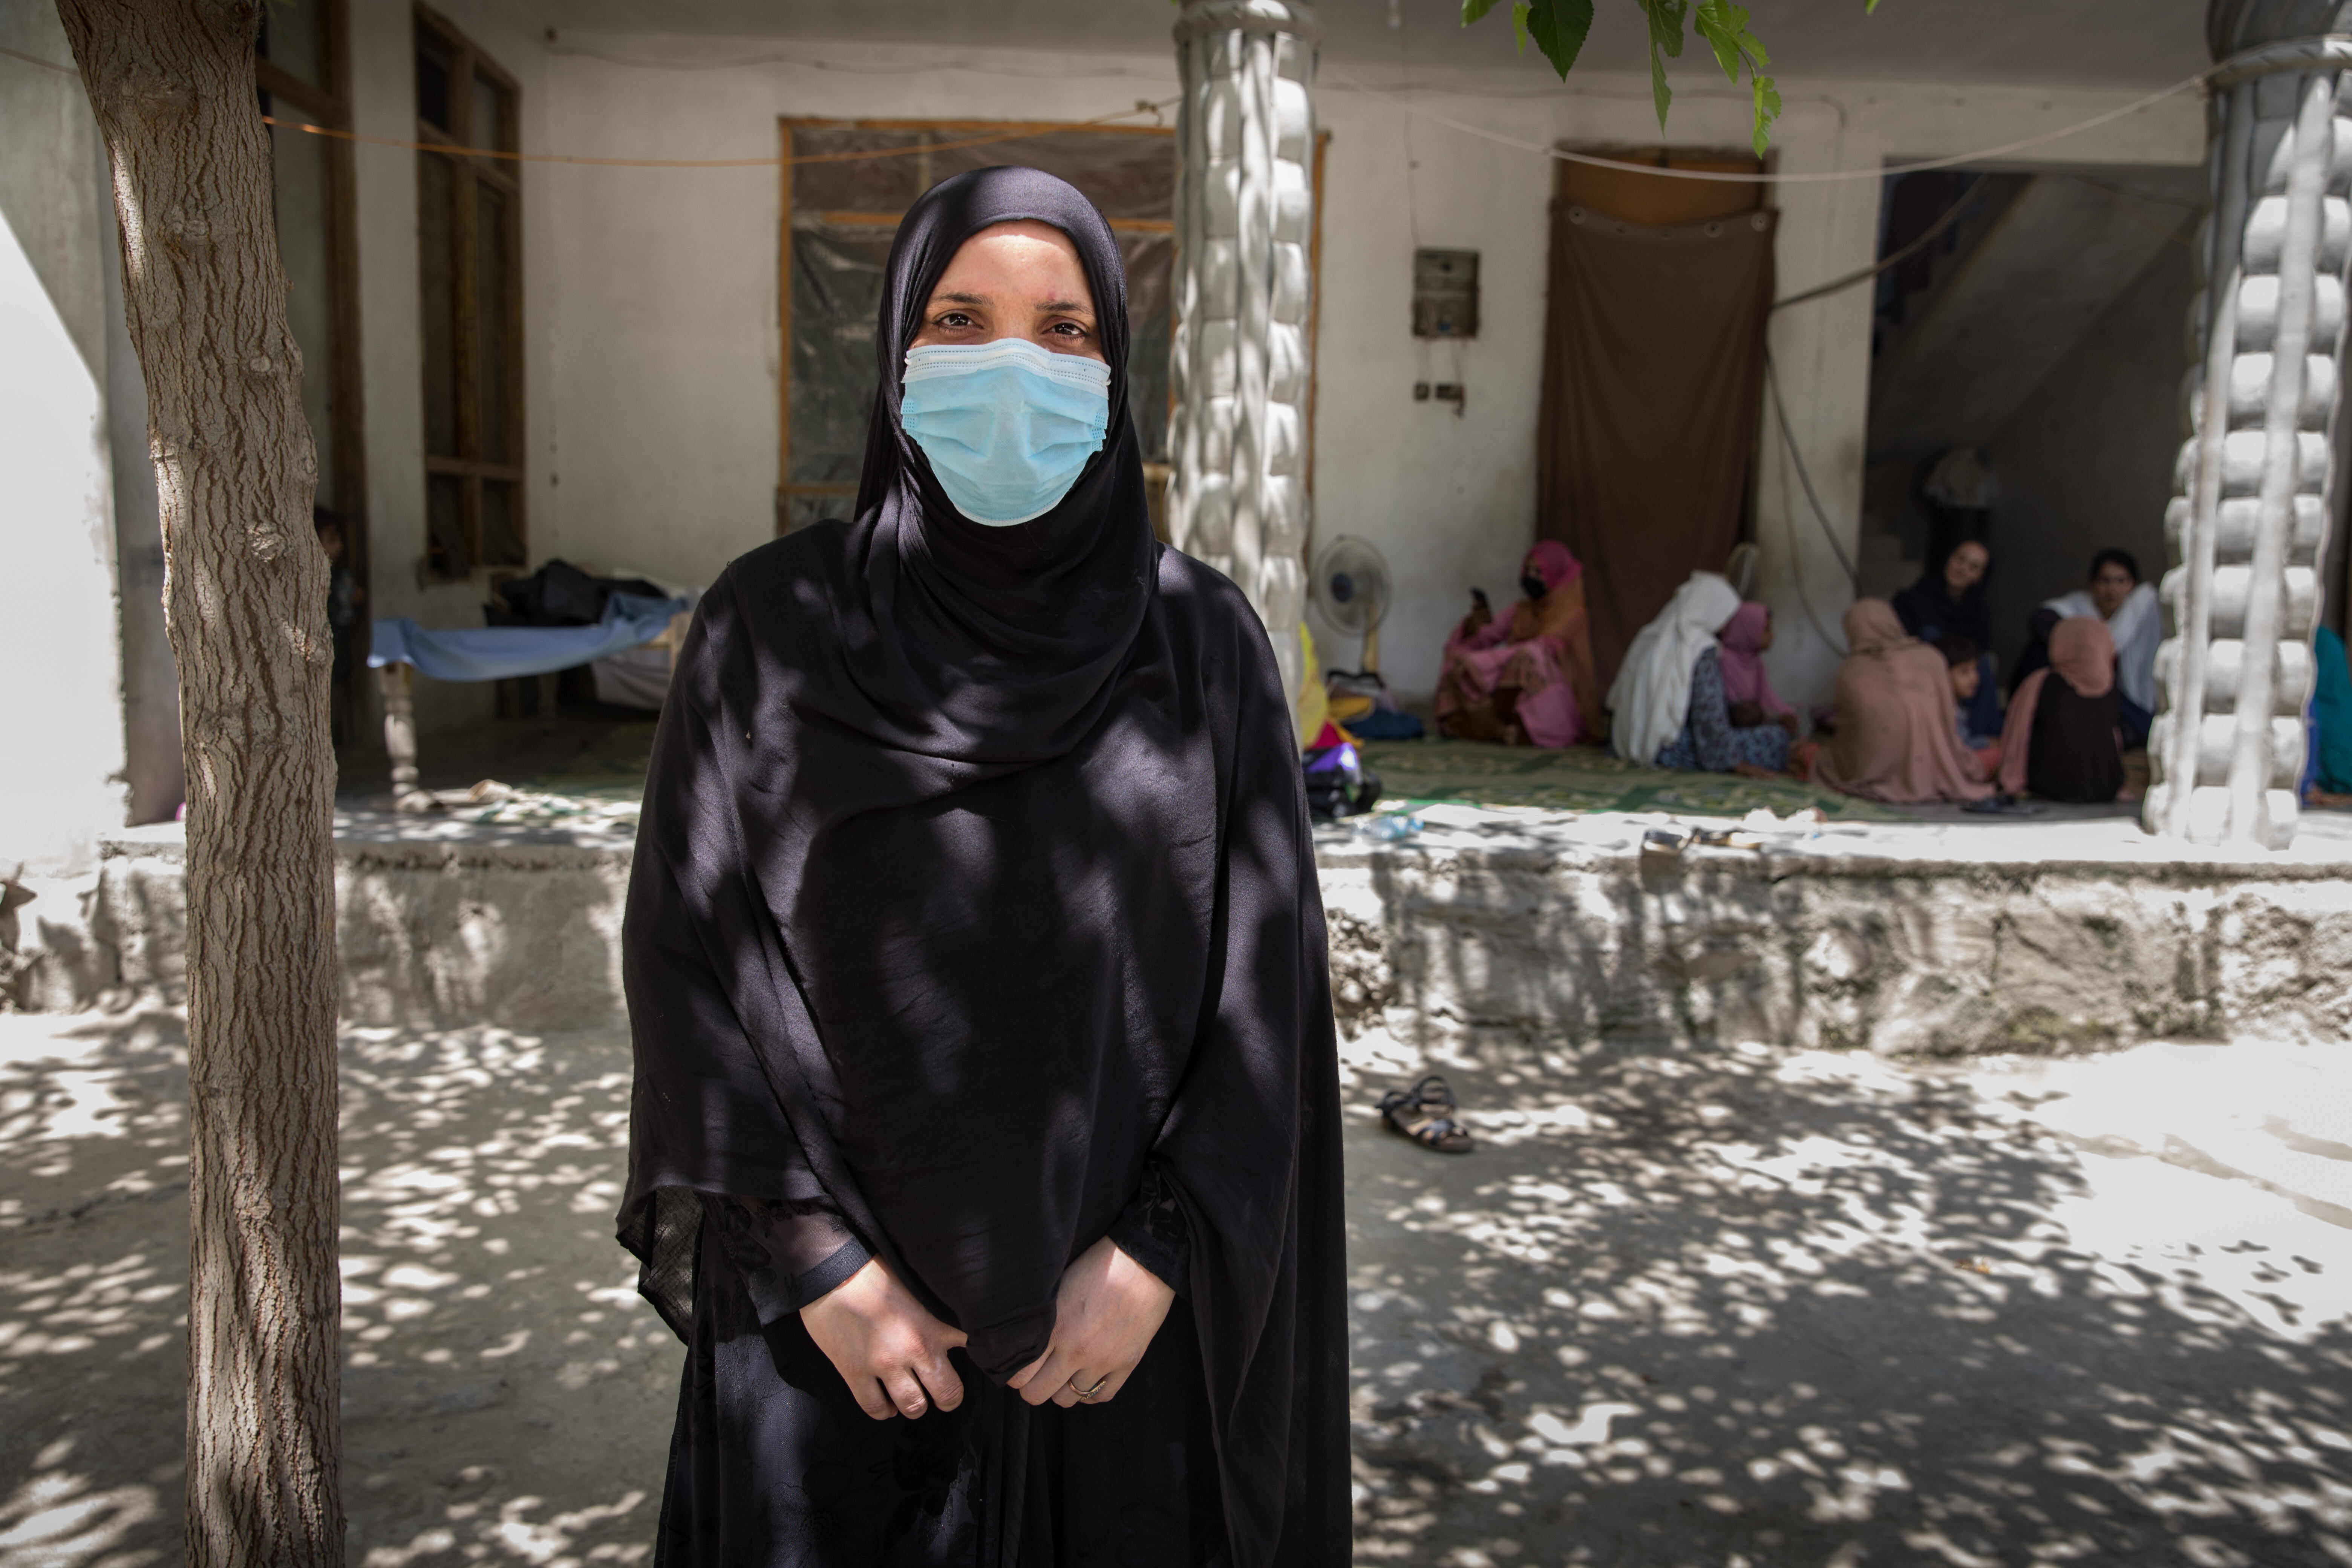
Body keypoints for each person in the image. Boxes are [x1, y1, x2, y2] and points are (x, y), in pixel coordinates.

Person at [617, 168, 1348, 1566]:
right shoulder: (770, 629)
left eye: (1065, 330)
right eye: (960, 317)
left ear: (1118, 371)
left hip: (1124, 1343)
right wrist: (814, 1261)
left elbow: (1264, 992)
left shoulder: (1198, 647)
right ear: (897, 355)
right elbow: (683, 960)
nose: (1014, 365)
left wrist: (1157, 1253)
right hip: (835, 1336)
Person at [1812, 600, 1995, 804]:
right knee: (1995, 757)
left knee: (1816, 756)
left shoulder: (1851, 671)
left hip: (1870, 769)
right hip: (1936, 770)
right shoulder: (1930, 657)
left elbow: (1851, 735)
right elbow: (1948, 722)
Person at [1609, 572, 1791, 776]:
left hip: (1628, 741)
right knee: (1776, 739)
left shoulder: (1651, 636)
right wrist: (1736, 765)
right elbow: (1708, 716)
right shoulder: (1700, 648)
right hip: (1671, 749)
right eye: (1725, 615)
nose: (1727, 625)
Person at [1435, 540, 1602, 746]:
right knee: (1460, 660)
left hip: (1558, 696)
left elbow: (1544, 646)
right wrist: (1473, 626)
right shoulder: (1521, 610)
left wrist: (1483, 662)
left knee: (1531, 655)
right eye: (1528, 570)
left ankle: (1535, 729)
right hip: (1512, 685)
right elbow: (1486, 636)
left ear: (1558, 576)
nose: (1531, 578)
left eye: (1540, 572)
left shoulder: (1574, 614)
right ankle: (1500, 729)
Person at [2016, 549, 2159, 748]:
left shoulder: (2138, 615)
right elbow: (2040, 620)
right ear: (2093, 584)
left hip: (2115, 696)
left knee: (2145, 729)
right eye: (2105, 581)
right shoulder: (2078, 607)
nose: (2112, 589)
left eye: (2121, 581)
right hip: (2077, 691)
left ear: (2132, 585)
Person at [1998, 615, 2125, 803]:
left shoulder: (2042, 682)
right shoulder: (2109, 688)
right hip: (2105, 789)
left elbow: (2018, 736)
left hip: (2050, 787)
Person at [1891, 537, 1999, 742]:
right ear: (1949, 559)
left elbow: (1978, 652)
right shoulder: (1913, 600)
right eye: (1960, 559)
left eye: (1973, 567)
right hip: (1923, 675)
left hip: (1963, 682)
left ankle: (1980, 741)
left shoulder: (1979, 613)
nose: (1963, 569)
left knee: (1982, 663)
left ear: (1980, 577)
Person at [1716, 601, 1795, 731]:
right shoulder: (1725, 659)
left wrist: (1786, 715)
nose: (1772, 636)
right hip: (1735, 724)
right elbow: (1734, 708)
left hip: (1757, 718)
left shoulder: (1756, 662)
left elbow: (1768, 698)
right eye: (1767, 630)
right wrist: (1773, 718)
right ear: (1749, 629)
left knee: (1801, 718)